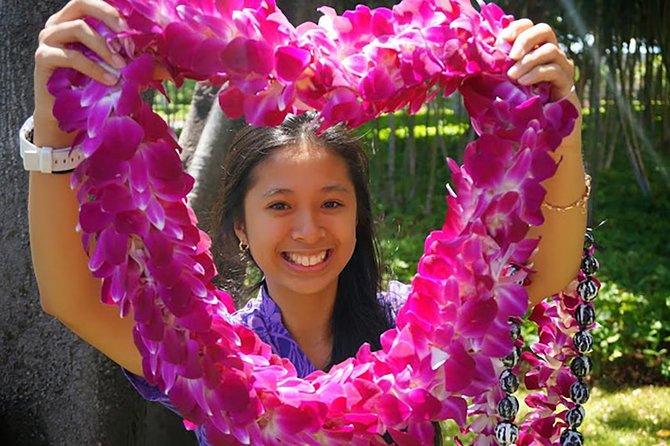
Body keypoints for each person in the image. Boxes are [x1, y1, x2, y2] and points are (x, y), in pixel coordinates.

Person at [28, 0, 588, 444]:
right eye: (278, 205)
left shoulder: (409, 325)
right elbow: (69, 298)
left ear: (357, 216)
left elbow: (550, 274)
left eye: (331, 202)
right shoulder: (202, 353)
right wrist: (55, 129)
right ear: (239, 228)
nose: (308, 230)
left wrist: (559, 123)